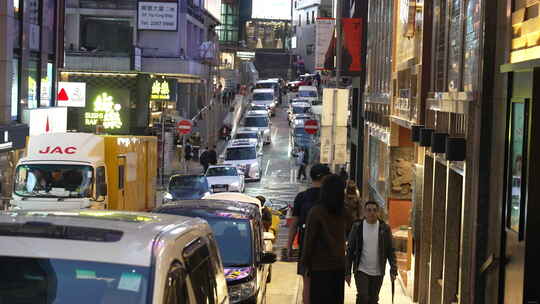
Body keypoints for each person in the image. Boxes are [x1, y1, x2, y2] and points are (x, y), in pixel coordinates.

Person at [298, 174, 353, 304]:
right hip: (338, 266)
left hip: (319, 268)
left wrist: (304, 264)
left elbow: (309, 241)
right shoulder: (344, 212)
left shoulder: (316, 212)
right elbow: (352, 230)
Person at [287, 164, 331, 304]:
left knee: (307, 284)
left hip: (305, 245)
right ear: (324, 178)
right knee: (325, 286)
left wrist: (289, 245)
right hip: (326, 247)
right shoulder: (331, 198)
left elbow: (294, 224)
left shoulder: (301, 197)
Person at [345, 201, 398, 304]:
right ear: (364, 212)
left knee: (373, 299)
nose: (372, 213)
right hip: (361, 269)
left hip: (378, 271)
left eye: (374, 210)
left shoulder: (384, 229)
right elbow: (350, 250)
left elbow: (390, 250)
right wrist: (347, 272)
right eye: (369, 210)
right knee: (363, 296)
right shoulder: (357, 227)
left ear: (378, 212)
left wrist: (393, 269)